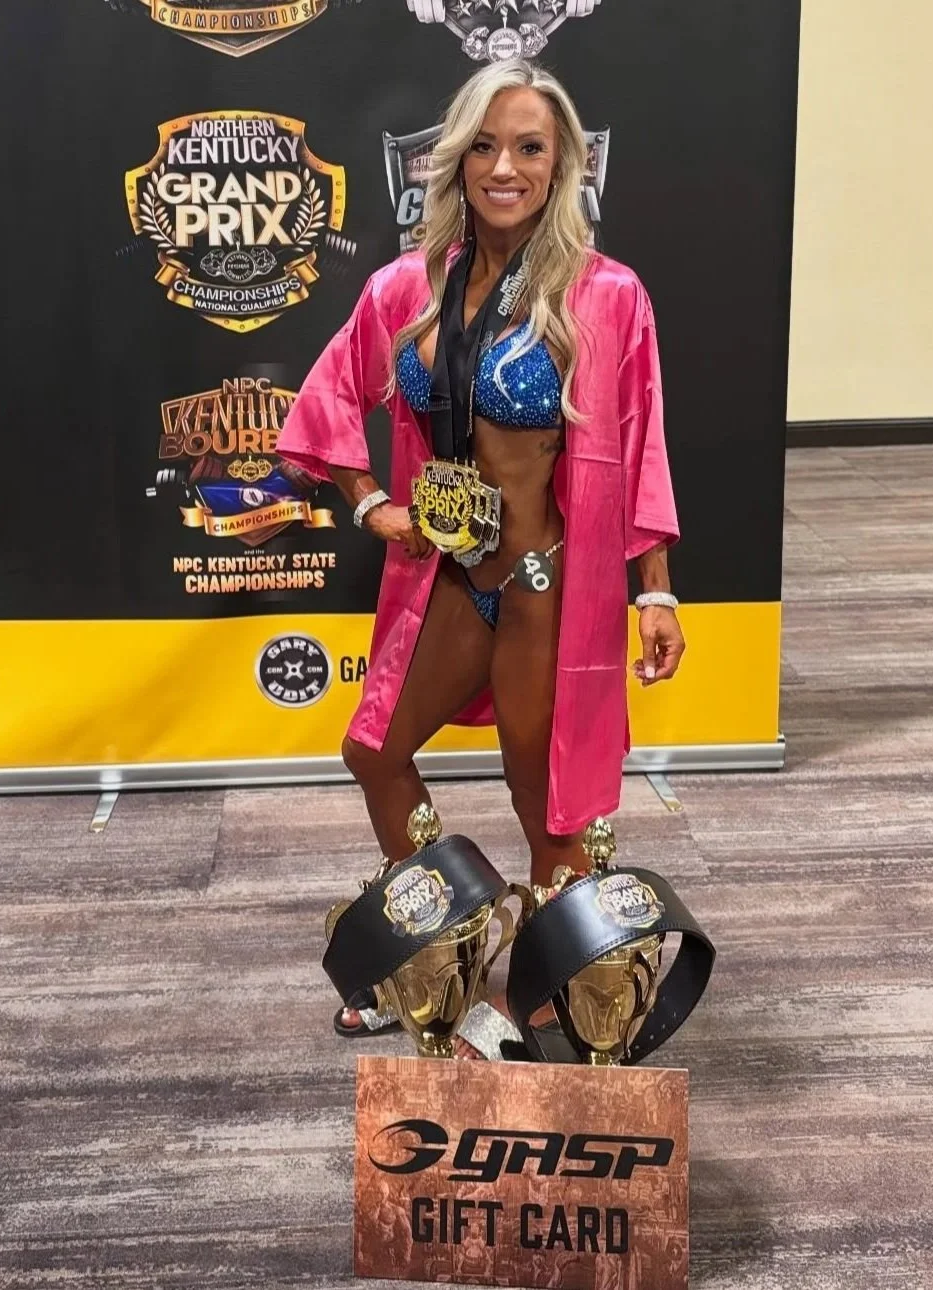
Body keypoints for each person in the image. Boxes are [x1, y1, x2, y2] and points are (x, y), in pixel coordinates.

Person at [277, 59, 685, 1042]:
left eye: (530, 148)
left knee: (548, 798)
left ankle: (545, 981)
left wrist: (655, 593)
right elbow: (329, 400)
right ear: (455, 160)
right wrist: (371, 503)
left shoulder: (605, 295)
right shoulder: (405, 288)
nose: (506, 168)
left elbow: (642, 447)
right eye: (486, 147)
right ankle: (436, 946)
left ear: (562, 164)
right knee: (374, 750)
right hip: (452, 576)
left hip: (550, 585)